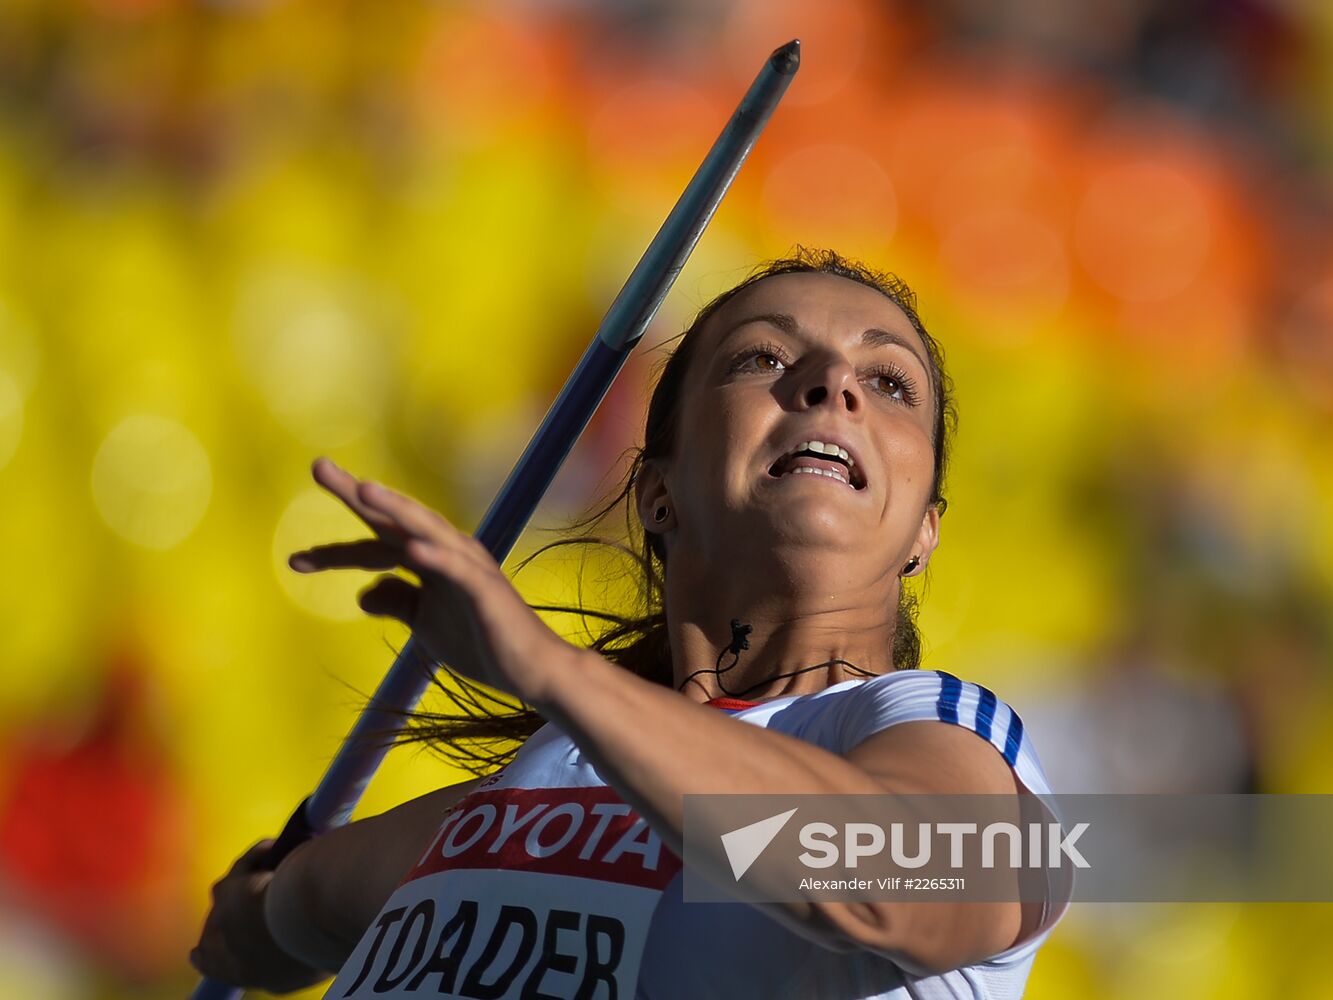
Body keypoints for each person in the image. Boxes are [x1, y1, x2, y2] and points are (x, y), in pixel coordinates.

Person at [191, 249, 1068, 999]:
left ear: (924, 532)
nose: (832, 384)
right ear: (657, 493)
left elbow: (897, 886)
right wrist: (262, 914)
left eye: (887, 382)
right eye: (762, 358)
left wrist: (549, 669)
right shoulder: (520, 796)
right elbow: (285, 910)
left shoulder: (942, 733)